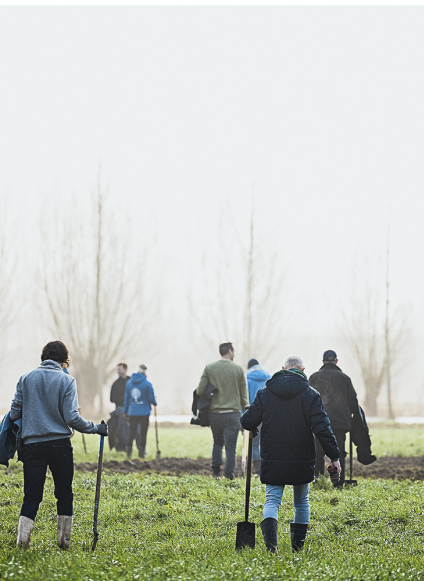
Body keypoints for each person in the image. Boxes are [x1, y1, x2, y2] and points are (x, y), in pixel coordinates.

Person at [10, 340, 108, 550]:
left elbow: (14, 413)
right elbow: (72, 418)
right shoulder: (67, 380)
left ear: (43, 357)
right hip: (59, 446)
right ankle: (64, 543)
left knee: (31, 495)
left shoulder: (25, 379)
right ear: (64, 359)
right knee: (64, 493)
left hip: (32, 445)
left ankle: (22, 543)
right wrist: (95, 428)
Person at [241, 355, 340, 553]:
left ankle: (272, 549)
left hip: (273, 456)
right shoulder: (312, 395)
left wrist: (250, 411)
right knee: (301, 502)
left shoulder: (264, 393)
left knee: (272, 500)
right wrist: (334, 457)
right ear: (302, 370)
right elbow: (322, 428)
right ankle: (297, 549)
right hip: (301, 457)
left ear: (283, 368)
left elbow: (247, 422)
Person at [197, 342, 248, 480]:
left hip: (215, 414)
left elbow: (200, 390)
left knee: (218, 443)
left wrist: (211, 389)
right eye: (234, 351)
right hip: (233, 415)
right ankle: (229, 476)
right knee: (231, 448)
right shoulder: (239, 369)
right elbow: (244, 396)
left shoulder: (209, 368)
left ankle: (215, 473)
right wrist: (246, 414)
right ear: (230, 352)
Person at [309, 350, 360, 486]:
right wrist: (351, 414)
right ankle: (338, 482)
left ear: (323, 361)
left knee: (318, 453)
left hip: (319, 422)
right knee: (338, 453)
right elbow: (353, 401)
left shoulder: (314, 377)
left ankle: (318, 481)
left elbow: (308, 399)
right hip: (339, 423)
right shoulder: (345, 378)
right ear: (336, 361)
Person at [123, 364, 157, 458]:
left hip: (132, 412)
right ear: (145, 373)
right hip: (144, 413)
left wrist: (125, 412)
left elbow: (126, 399)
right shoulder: (147, 384)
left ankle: (129, 452)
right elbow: (151, 399)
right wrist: (155, 402)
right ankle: (141, 453)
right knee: (143, 433)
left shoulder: (129, 383)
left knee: (131, 432)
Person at [246, 358, 271, 474]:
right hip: (268, 414)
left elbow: (245, 398)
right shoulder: (269, 377)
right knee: (266, 441)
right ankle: (266, 466)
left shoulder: (247, 379)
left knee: (254, 443)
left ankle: (257, 470)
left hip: (254, 415)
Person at [108, 363, 130, 451]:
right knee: (117, 427)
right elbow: (112, 399)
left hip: (131, 409)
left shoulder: (131, 381)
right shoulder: (116, 384)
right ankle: (120, 446)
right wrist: (124, 399)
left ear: (125, 369)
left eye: (120, 369)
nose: (118, 371)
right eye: (117, 369)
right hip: (120, 409)